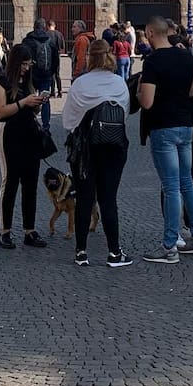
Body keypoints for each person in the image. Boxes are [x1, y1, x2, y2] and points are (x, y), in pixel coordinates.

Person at [138, 15, 193, 264]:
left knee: (170, 187)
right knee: (186, 182)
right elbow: (192, 90)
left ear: (149, 33)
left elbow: (146, 102)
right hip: (186, 125)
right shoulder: (186, 56)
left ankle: (169, 246)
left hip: (163, 126)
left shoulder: (153, 61)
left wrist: (138, 90)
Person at [62, 38, 132, 268]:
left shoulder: (80, 84)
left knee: (84, 198)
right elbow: (125, 112)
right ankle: (114, 252)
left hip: (86, 150)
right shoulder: (119, 83)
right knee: (108, 199)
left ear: (90, 58)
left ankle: (81, 252)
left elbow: (68, 122)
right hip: (113, 147)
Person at [0, 46, 49, 250]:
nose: (26, 68)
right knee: (10, 182)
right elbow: (0, 111)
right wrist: (24, 102)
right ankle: (4, 231)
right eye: (23, 64)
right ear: (15, 63)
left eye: (28, 64)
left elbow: (32, 110)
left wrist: (37, 103)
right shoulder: (1, 83)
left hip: (29, 134)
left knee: (31, 183)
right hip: (9, 134)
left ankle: (29, 230)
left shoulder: (28, 82)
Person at [21, 18, 60, 128]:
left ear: (34, 27)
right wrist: (51, 72)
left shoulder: (28, 40)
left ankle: (30, 122)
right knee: (45, 100)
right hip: (45, 74)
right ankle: (46, 125)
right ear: (44, 27)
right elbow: (56, 59)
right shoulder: (49, 40)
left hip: (31, 74)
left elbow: (22, 55)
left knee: (29, 97)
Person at [47, 20, 65, 97]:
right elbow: (62, 46)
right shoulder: (59, 34)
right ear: (55, 26)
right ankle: (60, 91)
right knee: (57, 74)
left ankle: (52, 92)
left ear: (48, 26)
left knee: (51, 74)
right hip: (57, 55)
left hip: (49, 55)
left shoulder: (46, 34)